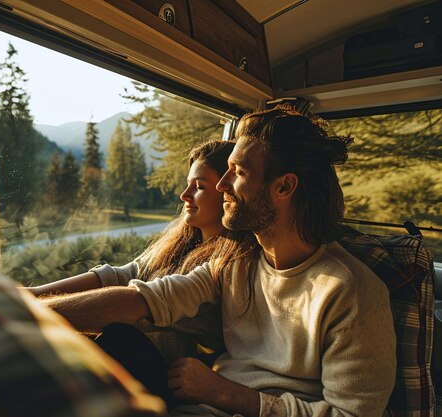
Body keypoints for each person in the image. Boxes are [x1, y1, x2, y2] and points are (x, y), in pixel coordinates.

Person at [40, 107, 397, 417]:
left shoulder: (351, 291)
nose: (222, 185)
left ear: (284, 188)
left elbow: (351, 414)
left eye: (238, 173)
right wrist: (26, 309)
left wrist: (223, 392)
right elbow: (144, 299)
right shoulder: (237, 263)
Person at [28, 140, 256, 362]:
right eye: (188, 184)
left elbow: (140, 301)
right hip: (123, 360)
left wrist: (30, 313)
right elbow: (120, 275)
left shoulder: (228, 266)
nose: (184, 195)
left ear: (228, 194)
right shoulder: (179, 245)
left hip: (158, 373)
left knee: (121, 339)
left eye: (199, 187)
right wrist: (34, 293)